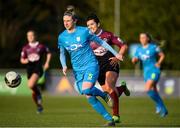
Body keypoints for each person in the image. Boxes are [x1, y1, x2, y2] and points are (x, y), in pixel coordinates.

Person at [58, 10, 123, 126]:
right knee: (89, 97)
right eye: (64, 21)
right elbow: (62, 53)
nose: (66, 23)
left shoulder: (84, 32)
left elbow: (102, 43)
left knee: (87, 90)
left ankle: (104, 95)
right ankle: (110, 119)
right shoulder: (62, 37)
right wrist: (63, 65)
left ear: (75, 21)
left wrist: (115, 53)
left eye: (68, 21)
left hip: (91, 65)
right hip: (78, 70)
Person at [86, 14, 130, 123]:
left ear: (98, 24)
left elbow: (123, 45)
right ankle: (122, 89)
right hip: (97, 67)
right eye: (88, 25)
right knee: (109, 93)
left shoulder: (108, 35)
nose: (90, 27)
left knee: (110, 86)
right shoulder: (86, 38)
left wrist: (118, 56)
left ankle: (116, 116)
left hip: (111, 62)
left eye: (92, 24)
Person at [132, 32, 168, 117]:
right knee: (154, 89)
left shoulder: (153, 47)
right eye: (140, 38)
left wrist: (159, 63)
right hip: (146, 72)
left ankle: (163, 108)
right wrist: (134, 60)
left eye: (143, 37)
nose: (142, 39)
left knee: (148, 89)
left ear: (148, 38)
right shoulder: (139, 49)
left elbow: (162, 55)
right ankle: (159, 105)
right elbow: (135, 59)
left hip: (154, 70)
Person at [20, 30, 52, 113]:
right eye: (28, 36)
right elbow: (22, 60)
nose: (30, 37)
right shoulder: (25, 48)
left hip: (38, 68)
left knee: (30, 85)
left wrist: (47, 63)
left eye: (32, 35)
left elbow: (48, 53)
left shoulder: (41, 46)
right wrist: (26, 60)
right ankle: (39, 106)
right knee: (33, 90)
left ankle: (38, 93)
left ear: (35, 36)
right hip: (29, 69)